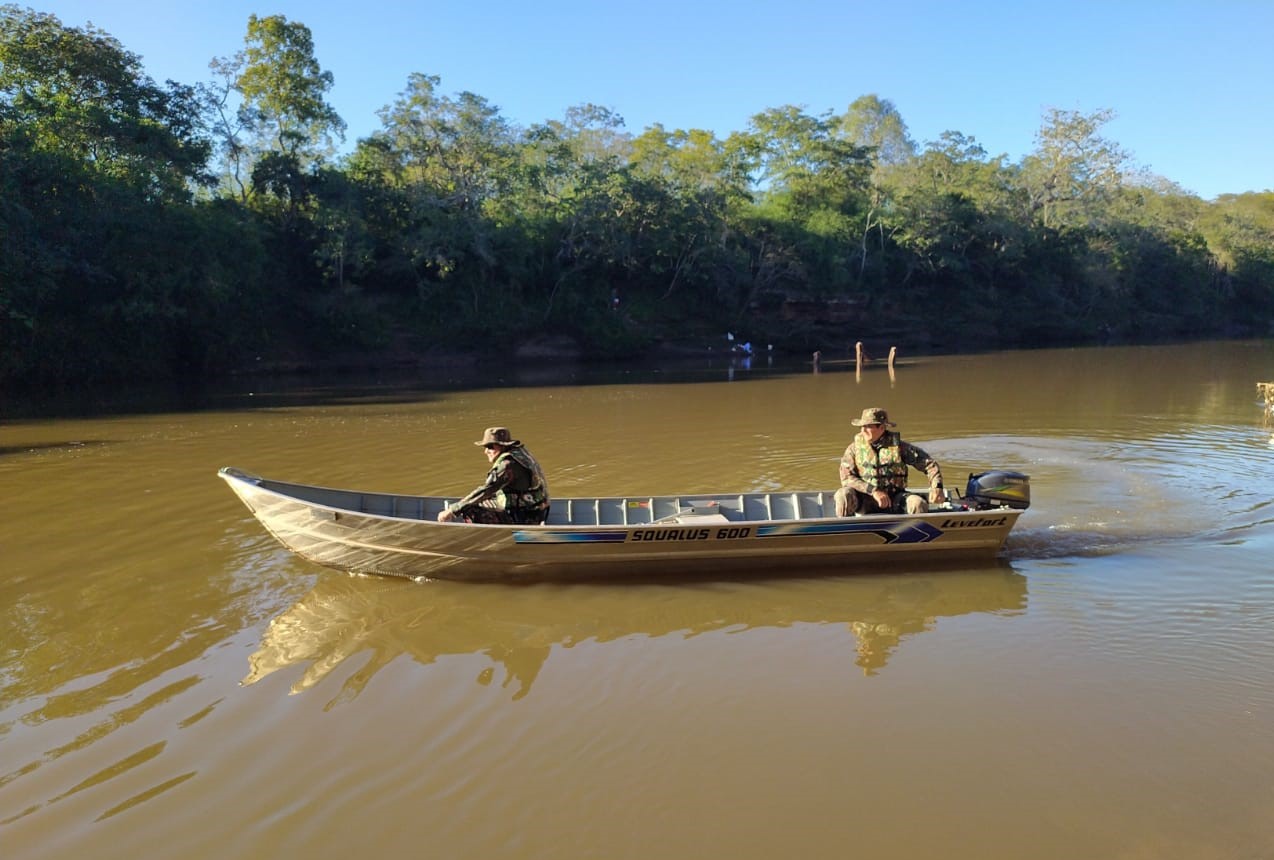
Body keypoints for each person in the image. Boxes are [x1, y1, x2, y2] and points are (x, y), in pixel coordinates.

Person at [834, 407, 945, 516]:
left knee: (917, 503)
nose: (863, 430)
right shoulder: (853, 449)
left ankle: (914, 532)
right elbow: (847, 479)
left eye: (868, 426)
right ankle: (845, 531)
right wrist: (873, 491)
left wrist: (937, 487)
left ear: (882, 428)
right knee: (843, 495)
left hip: (895, 499)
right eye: (862, 426)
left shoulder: (900, 447)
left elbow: (929, 464)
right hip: (864, 499)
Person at [437, 427, 550, 524]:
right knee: (476, 501)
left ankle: (484, 541)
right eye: (485, 447)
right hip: (537, 510)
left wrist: (453, 510)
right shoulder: (520, 453)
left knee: (469, 508)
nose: (486, 451)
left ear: (503, 446)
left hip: (525, 517)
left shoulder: (507, 465)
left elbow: (486, 490)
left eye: (490, 447)